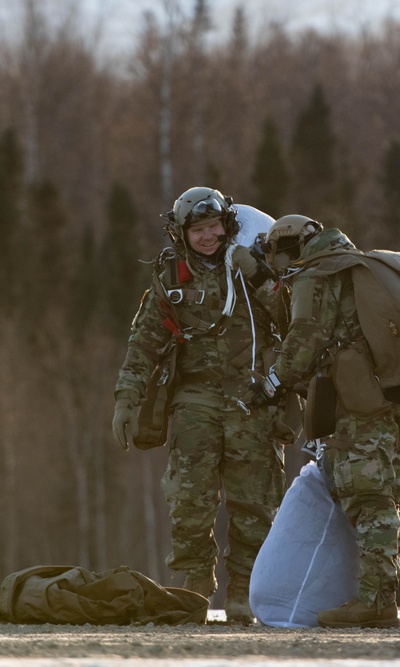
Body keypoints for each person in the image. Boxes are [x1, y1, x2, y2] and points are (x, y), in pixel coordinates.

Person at [111, 187, 289, 625]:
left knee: (255, 503)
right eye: (198, 230)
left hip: (254, 397)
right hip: (195, 399)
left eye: (214, 227)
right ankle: (190, 591)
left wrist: (261, 278)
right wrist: (125, 398)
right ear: (182, 234)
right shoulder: (170, 276)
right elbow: (145, 341)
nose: (208, 237)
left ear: (227, 226)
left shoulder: (254, 263)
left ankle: (245, 593)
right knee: (189, 498)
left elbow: (294, 318)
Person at [246, 215, 400, 629]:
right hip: (386, 396)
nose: (278, 265)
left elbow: (303, 341)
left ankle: (376, 601)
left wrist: (271, 385)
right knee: (377, 490)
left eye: (277, 256)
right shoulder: (351, 267)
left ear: (290, 249)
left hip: (356, 402)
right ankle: (377, 596)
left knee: (367, 496)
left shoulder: (314, 275)